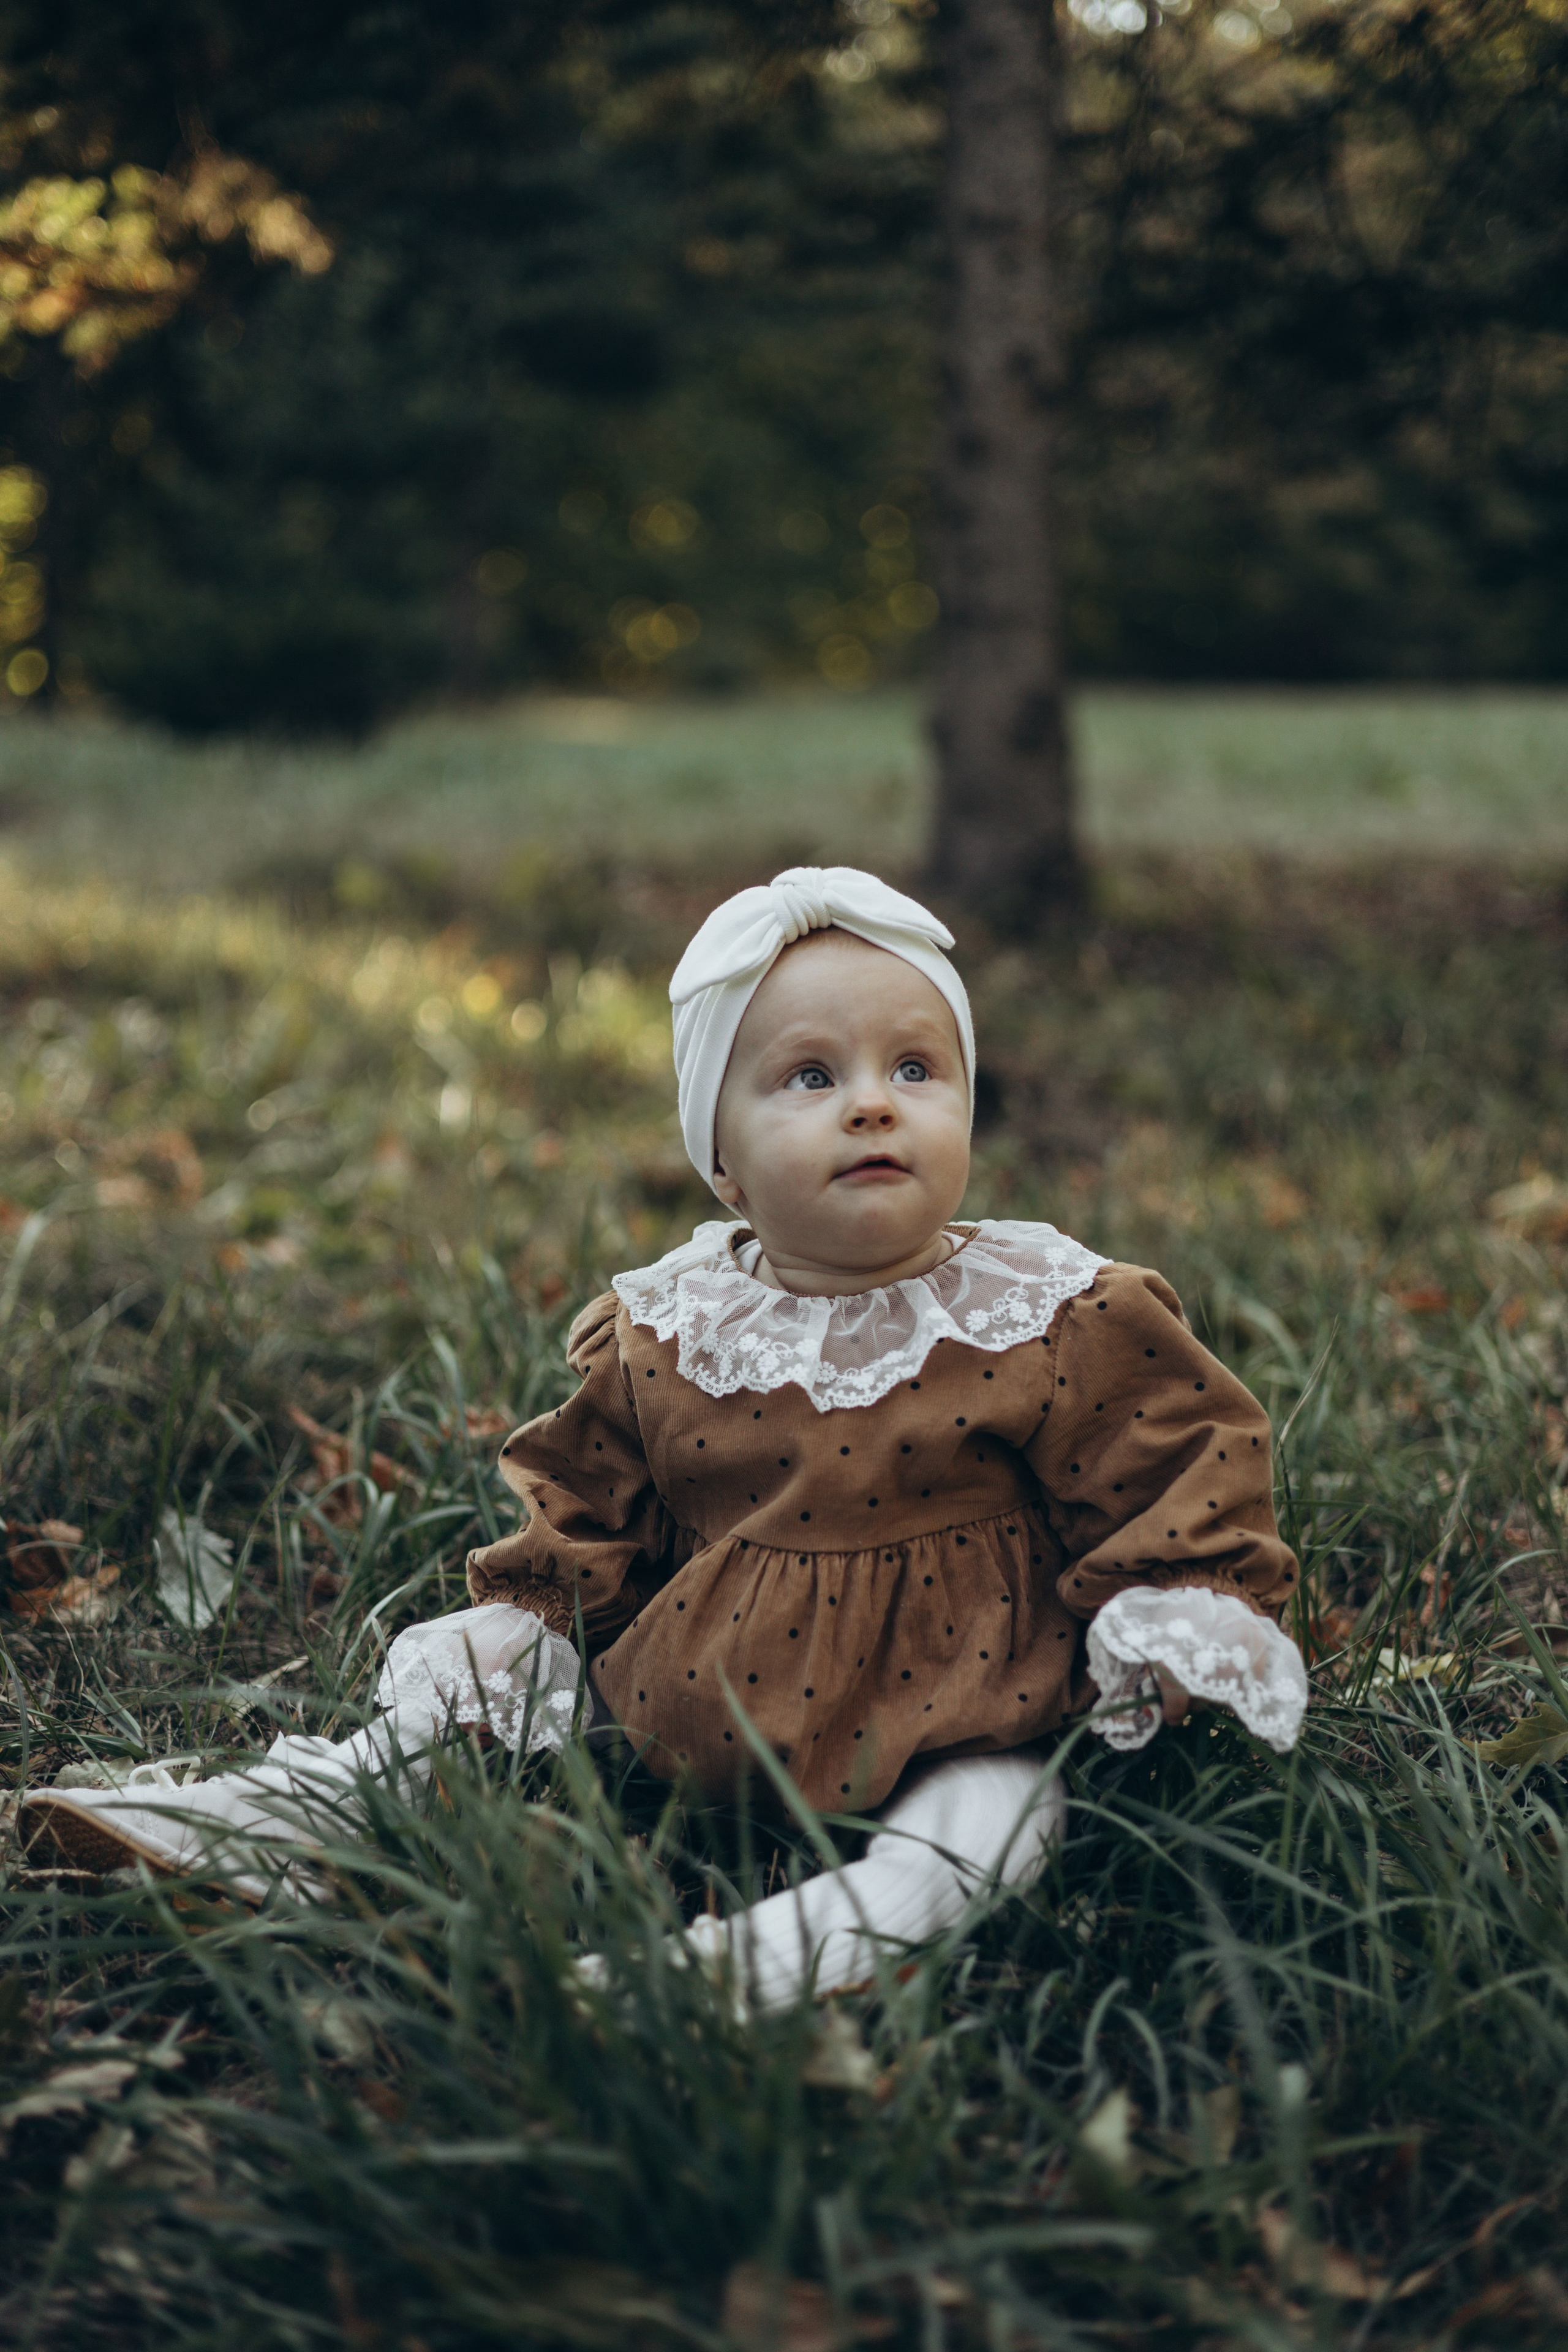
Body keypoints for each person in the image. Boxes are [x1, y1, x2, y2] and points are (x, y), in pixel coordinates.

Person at [22, 867, 1308, 2007]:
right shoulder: (669, 1329)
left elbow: (1165, 1459)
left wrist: (1175, 1606)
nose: (872, 1105)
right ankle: (284, 1817)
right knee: (473, 1707)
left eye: (915, 1069)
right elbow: (592, 1503)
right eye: (811, 1077)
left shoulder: (1051, 1310)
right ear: (723, 1164)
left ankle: (753, 1967)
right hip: (699, 1691)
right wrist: (531, 1611)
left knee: (993, 1822)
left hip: (963, 1704)